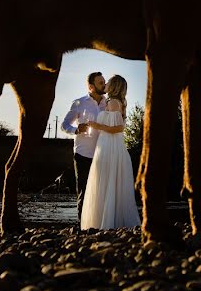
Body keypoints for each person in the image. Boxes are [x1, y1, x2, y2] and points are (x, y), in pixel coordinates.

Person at [80, 75, 141, 230]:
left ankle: (108, 223)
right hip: (106, 145)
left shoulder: (114, 103)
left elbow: (119, 129)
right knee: (106, 180)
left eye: (108, 82)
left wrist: (97, 125)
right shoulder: (112, 102)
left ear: (113, 86)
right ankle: (105, 221)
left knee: (107, 180)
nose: (105, 84)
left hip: (111, 147)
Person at [60, 72, 107, 224]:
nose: (104, 85)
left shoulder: (109, 104)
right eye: (101, 83)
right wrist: (75, 129)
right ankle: (83, 226)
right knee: (84, 190)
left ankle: (99, 224)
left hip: (103, 153)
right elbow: (64, 125)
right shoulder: (79, 103)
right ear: (91, 87)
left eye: (104, 82)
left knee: (101, 191)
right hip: (83, 153)